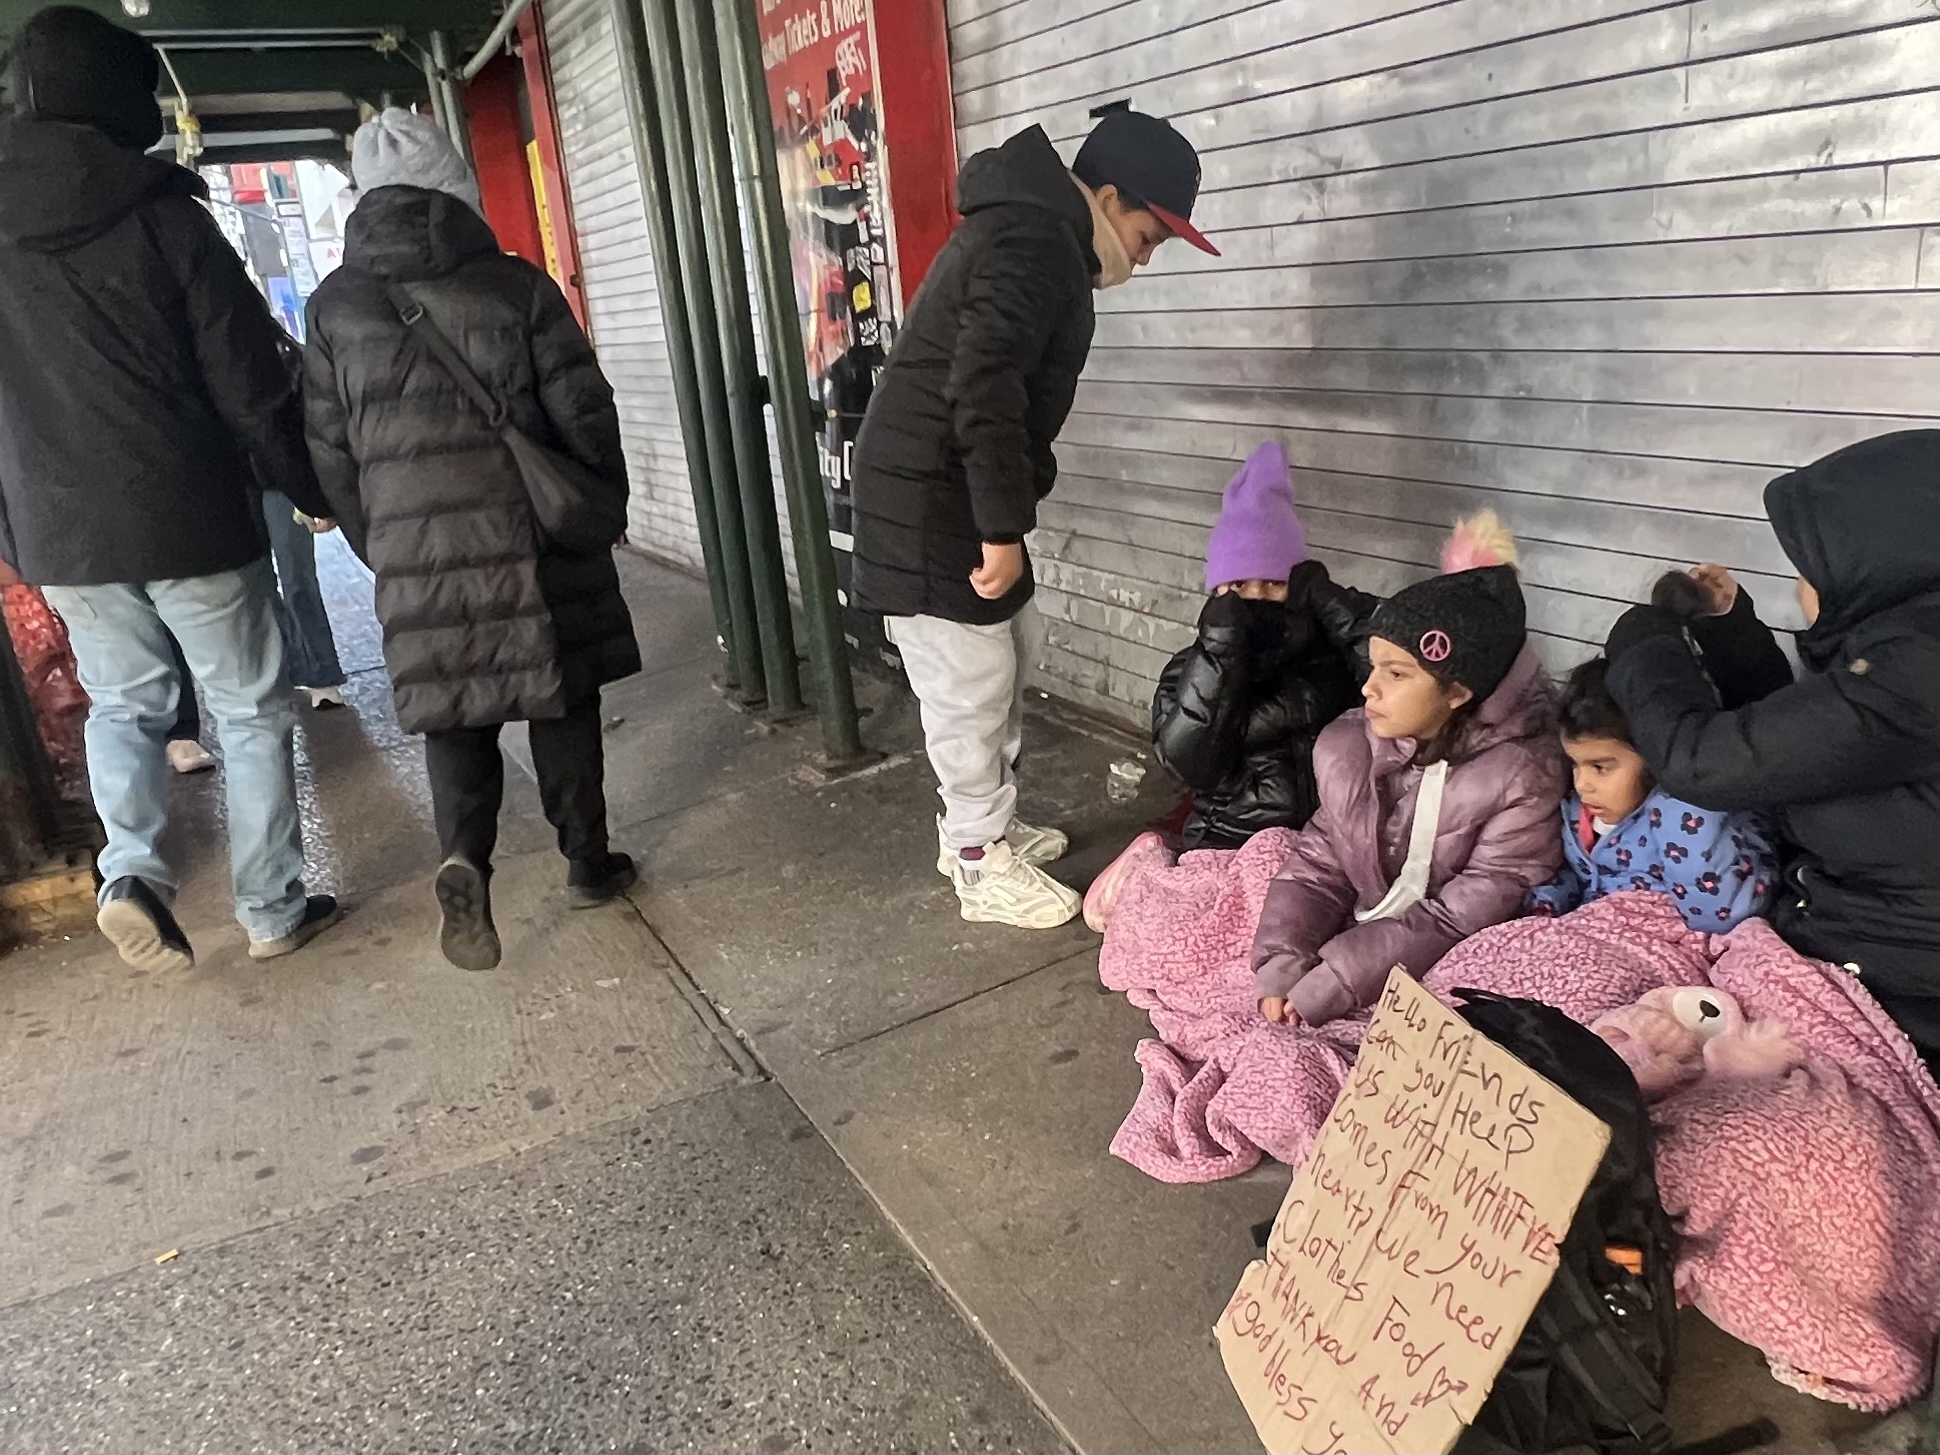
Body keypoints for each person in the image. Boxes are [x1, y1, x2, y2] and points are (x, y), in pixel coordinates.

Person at [0, 6, 340, 971]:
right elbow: (249, 377)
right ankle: (272, 909)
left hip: (62, 532)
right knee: (248, 706)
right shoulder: (160, 214)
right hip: (188, 515)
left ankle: (133, 872)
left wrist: (18, 529)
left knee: (124, 705)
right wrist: (310, 485)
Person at [849, 102, 1219, 930]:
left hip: (949, 491)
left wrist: (1003, 514)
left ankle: (979, 828)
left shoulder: (1042, 233)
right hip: (931, 502)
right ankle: (979, 862)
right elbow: (985, 386)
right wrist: (1001, 528)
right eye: (1150, 236)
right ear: (1111, 197)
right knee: (970, 683)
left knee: (1012, 651)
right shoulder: (1034, 240)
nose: (1144, 258)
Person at [303, 109, 640, 972]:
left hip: (417, 547)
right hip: (532, 532)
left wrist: (387, 545)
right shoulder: (517, 286)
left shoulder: (335, 308)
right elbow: (584, 409)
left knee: (457, 713)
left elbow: (330, 453)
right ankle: (587, 862)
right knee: (560, 695)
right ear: (458, 189)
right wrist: (593, 494)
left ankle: (466, 859)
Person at [1604, 429, 1940, 1077]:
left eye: (1807, 566)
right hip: (1833, 948)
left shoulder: (1918, 675)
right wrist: (1730, 629)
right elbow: (1803, 748)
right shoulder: (1906, 652)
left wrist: (1642, 637)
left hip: (1895, 995)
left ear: (1873, 562)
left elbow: (1702, 762)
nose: (1797, 587)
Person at [1251, 516, 1566, 1027]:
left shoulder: (1524, 778)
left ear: (1458, 692)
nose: (1368, 689)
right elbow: (1319, 862)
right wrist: (1282, 963)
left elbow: (1460, 916)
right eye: (1373, 666)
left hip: (1449, 954)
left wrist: (1337, 978)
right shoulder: (1350, 748)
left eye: (1396, 674)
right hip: (1373, 942)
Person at [1150, 443, 1366, 853]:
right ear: (1215, 593)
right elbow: (1189, 764)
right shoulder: (1189, 669)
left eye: (1273, 583)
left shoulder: (1330, 652)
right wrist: (1221, 654)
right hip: (1228, 844)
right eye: (1238, 586)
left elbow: (1403, 679)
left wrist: (1335, 604)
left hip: (1328, 848)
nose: (1256, 597)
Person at [1529, 654, 1776, 933]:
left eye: (1600, 767)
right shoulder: (1583, 812)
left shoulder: (1700, 817)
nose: (1582, 784)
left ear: (1655, 759)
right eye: (1575, 763)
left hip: (1668, 945)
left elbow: (1719, 916)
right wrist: (1547, 904)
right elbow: (1581, 876)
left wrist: (1681, 804)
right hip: (1590, 935)